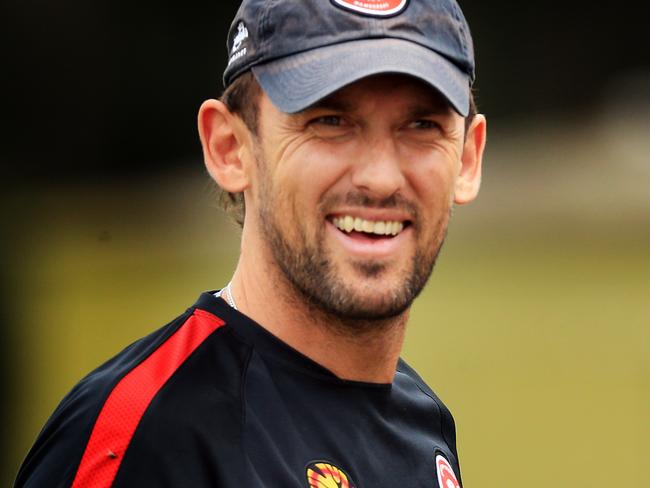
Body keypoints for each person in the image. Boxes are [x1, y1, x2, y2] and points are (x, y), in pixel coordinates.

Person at [15, 0, 486, 486]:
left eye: (422, 125)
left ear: (468, 159)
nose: (381, 178)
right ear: (230, 148)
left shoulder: (422, 424)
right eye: (329, 121)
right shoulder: (148, 437)